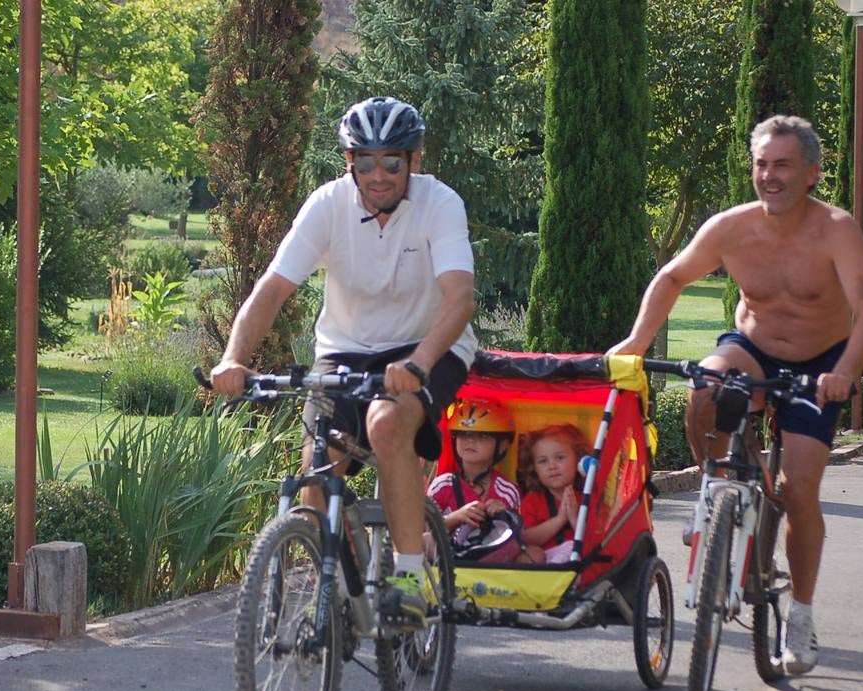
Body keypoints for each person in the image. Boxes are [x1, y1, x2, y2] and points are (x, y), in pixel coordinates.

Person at [608, 114, 863, 674]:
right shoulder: (731, 226)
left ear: (811, 172)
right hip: (753, 348)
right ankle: (721, 487)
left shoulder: (836, 229)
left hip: (820, 363)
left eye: (782, 164)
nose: (769, 175)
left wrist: (846, 371)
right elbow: (672, 278)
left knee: (799, 489)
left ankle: (801, 617)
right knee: (706, 387)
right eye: (761, 164)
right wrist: (636, 342)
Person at [209, 96, 477, 629]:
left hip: (429, 344)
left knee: (387, 422)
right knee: (318, 468)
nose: (379, 175)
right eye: (366, 162)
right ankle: (347, 580)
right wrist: (234, 357)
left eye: (392, 162)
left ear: (414, 161)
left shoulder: (440, 204)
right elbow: (272, 290)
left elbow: (459, 298)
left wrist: (420, 365)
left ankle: (404, 579)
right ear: (349, 162)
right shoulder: (327, 205)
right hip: (346, 347)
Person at [427, 398, 528, 564]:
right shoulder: (442, 485)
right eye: (463, 434)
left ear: (502, 445)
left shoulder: (508, 491)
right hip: (449, 557)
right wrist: (457, 517)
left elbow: (517, 537)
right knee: (423, 541)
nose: (470, 441)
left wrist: (504, 515)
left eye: (482, 436)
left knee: (532, 555)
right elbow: (425, 528)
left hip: (491, 557)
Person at [517, 424, 591, 564]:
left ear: (578, 459)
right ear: (535, 468)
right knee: (528, 554)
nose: (552, 466)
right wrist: (560, 519)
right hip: (544, 560)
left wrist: (575, 520)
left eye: (560, 458)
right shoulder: (533, 500)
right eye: (543, 461)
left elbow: (596, 541)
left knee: (572, 546)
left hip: (577, 559)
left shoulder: (588, 497)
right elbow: (526, 538)